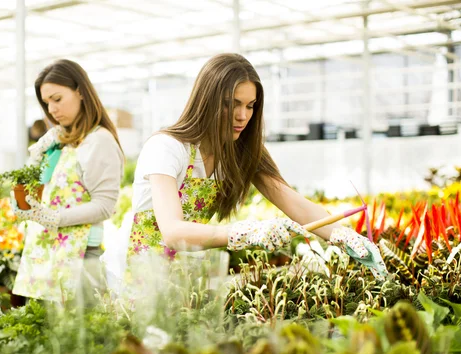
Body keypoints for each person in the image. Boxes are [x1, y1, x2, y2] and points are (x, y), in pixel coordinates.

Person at [125, 53, 387, 280]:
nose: (243, 116)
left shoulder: (240, 151)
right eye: (232, 104)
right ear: (207, 100)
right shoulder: (167, 148)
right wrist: (246, 232)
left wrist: (345, 236)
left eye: (250, 106)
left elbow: (296, 205)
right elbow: (172, 231)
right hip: (143, 275)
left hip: (187, 275)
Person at [12, 59, 125, 303]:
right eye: (46, 102)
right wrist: (24, 191)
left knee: (77, 338)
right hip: (47, 255)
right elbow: (39, 189)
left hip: (80, 259)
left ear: (81, 92)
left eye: (57, 99)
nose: (51, 109)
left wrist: (54, 217)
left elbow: (105, 205)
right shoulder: (59, 142)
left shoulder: (98, 141)